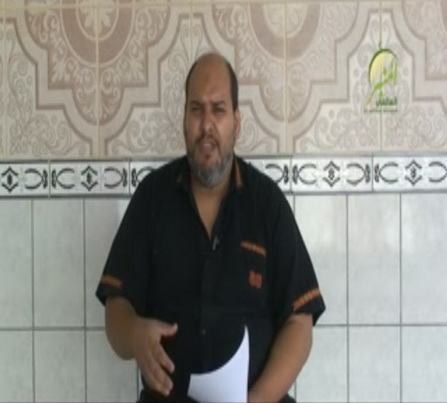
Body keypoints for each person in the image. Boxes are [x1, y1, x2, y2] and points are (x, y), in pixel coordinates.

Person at [96, 52, 325, 403]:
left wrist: (256, 400)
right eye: (196, 109)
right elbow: (116, 310)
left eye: (218, 110)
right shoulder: (152, 198)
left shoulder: (267, 203)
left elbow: (300, 322)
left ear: (236, 121)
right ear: (183, 119)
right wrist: (134, 335)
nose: (206, 125)